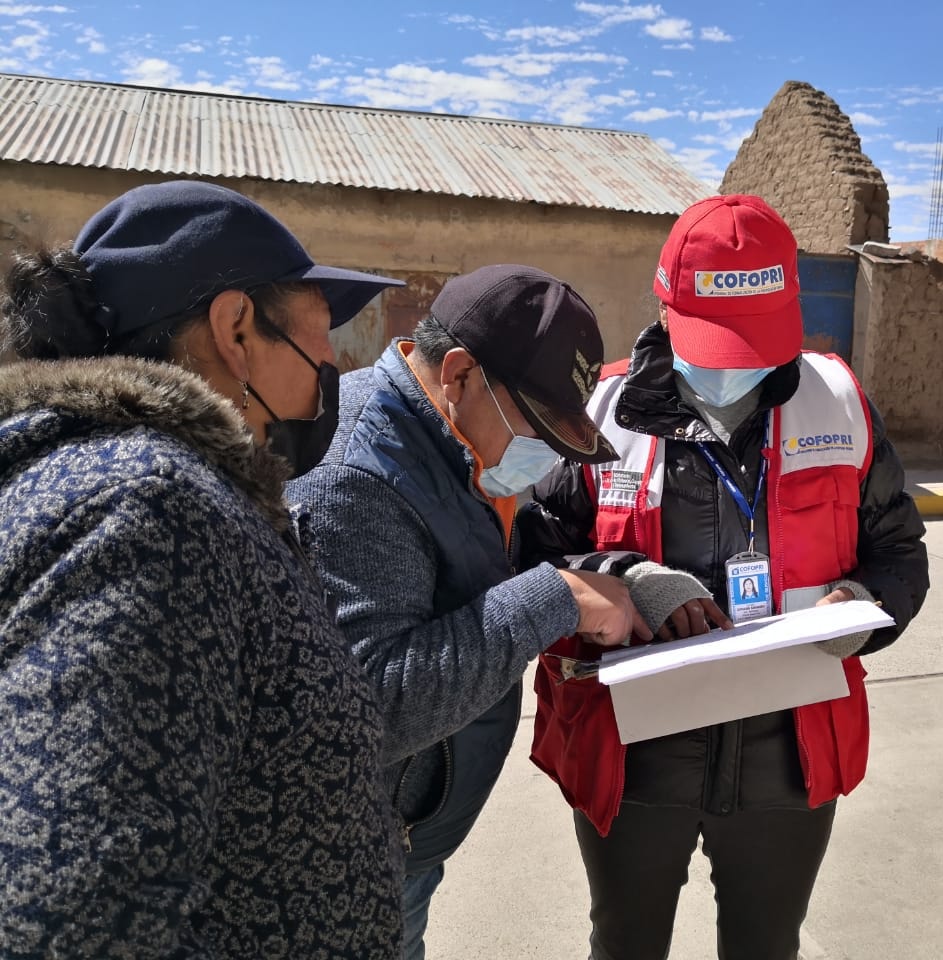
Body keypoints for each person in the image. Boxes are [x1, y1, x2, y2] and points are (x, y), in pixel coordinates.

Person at [517, 194, 930, 960]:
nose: (733, 368)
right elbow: (530, 557)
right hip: (635, 755)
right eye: (714, 343)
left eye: (753, 344)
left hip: (788, 756)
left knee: (767, 946)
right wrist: (626, 576)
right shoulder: (598, 413)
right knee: (625, 944)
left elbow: (900, 552)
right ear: (666, 307)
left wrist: (868, 605)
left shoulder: (838, 403)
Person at [0, 180, 406, 957]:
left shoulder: (156, 490)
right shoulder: (151, 511)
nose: (333, 364)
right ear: (236, 327)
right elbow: (74, 926)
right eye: (324, 334)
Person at [283, 263, 652, 959]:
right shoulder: (359, 478)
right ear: (457, 374)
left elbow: (486, 561)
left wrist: (620, 572)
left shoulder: (447, 443)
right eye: (537, 427)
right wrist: (559, 599)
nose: (543, 458)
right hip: (359, 860)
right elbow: (372, 707)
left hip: (407, 838)